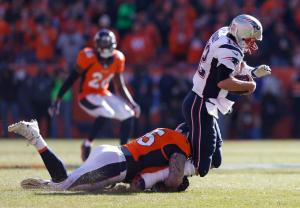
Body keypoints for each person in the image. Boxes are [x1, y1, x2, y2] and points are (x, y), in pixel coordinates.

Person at [181, 14, 271, 177]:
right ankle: (162, 173)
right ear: (241, 33)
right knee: (201, 167)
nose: (253, 43)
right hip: (200, 104)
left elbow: (234, 65)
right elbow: (223, 82)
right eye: (251, 38)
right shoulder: (230, 49)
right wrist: (249, 86)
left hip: (203, 103)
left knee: (216, 160)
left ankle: (186, 132)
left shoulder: (224, 33)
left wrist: (253, 72)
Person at [8, 119, 194, 192]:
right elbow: (168, 176)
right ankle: (36, 136)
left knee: (75, 186)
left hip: (110, 153)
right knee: (63, 185)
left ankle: (46, 184)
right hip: (117, 164)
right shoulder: (180, 141)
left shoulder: (164, 131)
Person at [48, 29, 141, 161]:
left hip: (103, 93)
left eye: (106, 43)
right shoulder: (87, 56)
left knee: (129, 113)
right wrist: (58, 99)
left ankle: (124, 153)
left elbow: (120, 85)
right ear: (96, 44)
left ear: (113, 44)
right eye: (102, 43)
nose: (104, 46)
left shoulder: (118, 58)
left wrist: (132, 103)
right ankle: (87, 144)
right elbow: (72, 78)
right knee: (107, 113)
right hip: (87, 95)